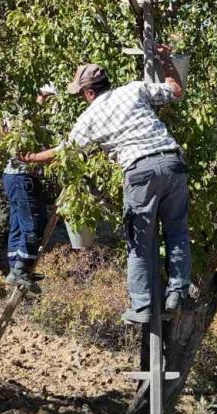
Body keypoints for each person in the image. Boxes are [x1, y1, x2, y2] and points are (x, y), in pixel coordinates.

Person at [19, 45, 190, 324]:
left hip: (139, 171)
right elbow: (175, 89)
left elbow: (65, 151)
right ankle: (177, 294)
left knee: (140, 242)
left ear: (88, 92)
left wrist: (32, 157)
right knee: (177, 233)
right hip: (173, 163)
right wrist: (165, 60)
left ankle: (142, 306)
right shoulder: (134, 89)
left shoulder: (90, 117)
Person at [0, 84, 58, 292]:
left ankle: (18, 266)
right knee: (33, 223)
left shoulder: (24, 117)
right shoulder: (27, 120)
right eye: (48, 98)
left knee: (18, 222)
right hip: (21, 176)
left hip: (14, 177)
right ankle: (21, 269)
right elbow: (24, 150)